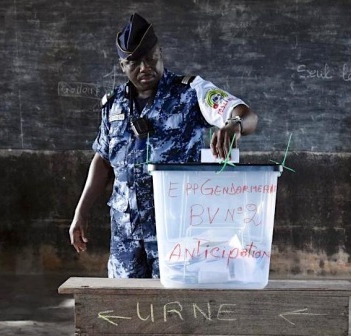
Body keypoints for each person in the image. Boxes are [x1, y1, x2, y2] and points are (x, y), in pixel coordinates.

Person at [69, 13, 258, 279]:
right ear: (122, 66)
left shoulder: (191, 92)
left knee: (178, 311)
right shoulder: (113, 104)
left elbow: (246, 115)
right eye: (134, 62)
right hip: (126, 236)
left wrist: (233, 124)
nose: (145, 67)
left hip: (178, 233)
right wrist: (81, 211)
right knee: (126, 310)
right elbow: (103, 160)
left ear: (161, 52)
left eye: (150, 57)